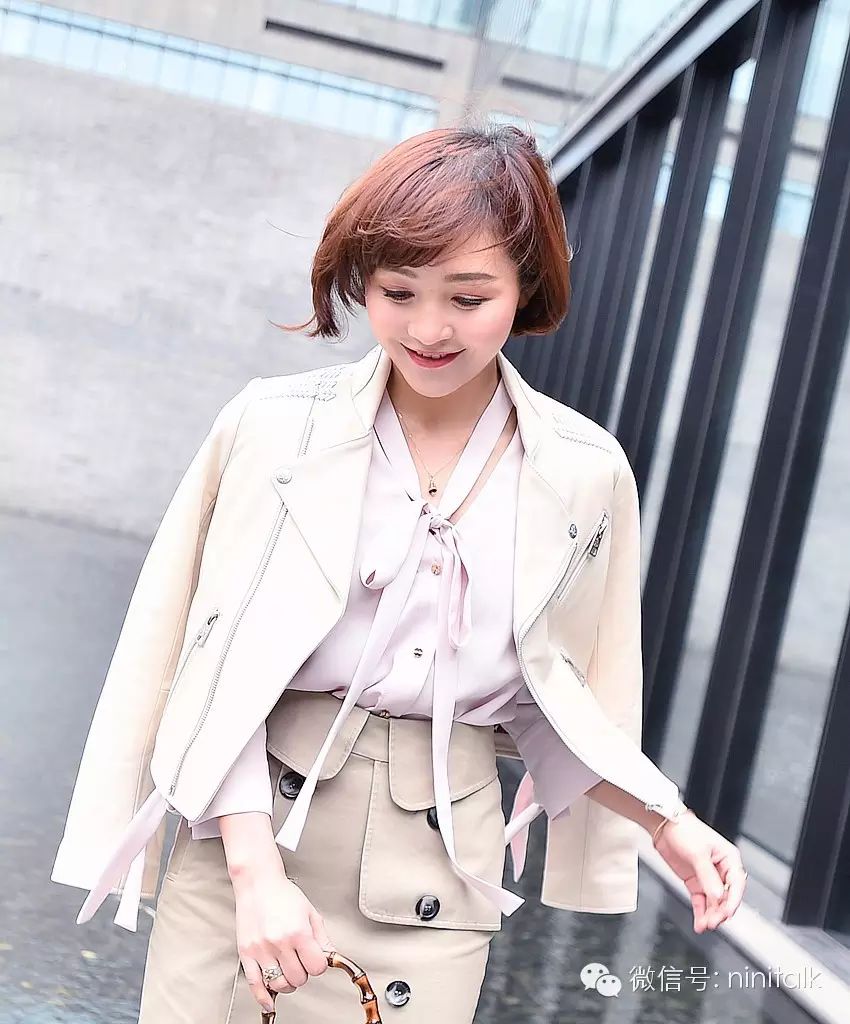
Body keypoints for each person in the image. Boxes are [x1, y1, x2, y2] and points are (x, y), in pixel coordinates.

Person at [51, 122, 747, 1024]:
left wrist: (666, 819)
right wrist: (253, 875)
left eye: (469, 297)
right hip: (245, 854)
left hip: (436, 886)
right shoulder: (276, 427)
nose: (428, 329)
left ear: (527, 284)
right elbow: (214, 667)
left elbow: (554, 695)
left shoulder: (583, 469)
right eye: (397, 291)